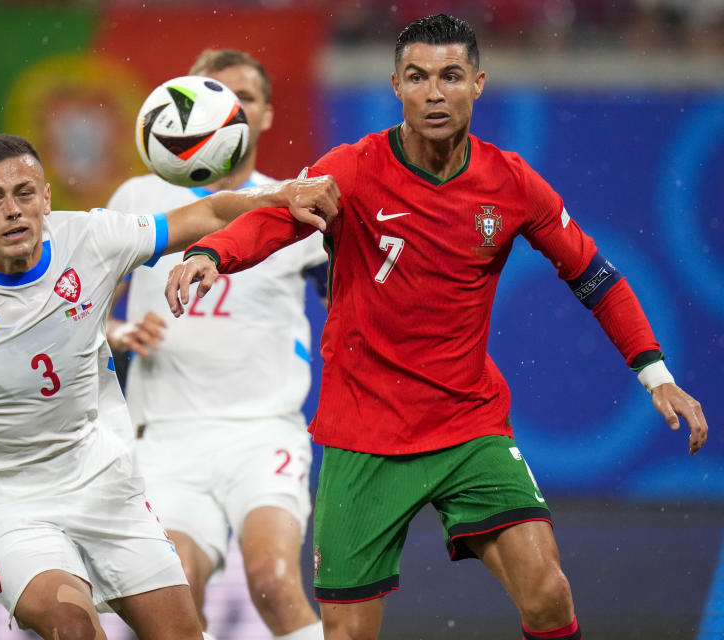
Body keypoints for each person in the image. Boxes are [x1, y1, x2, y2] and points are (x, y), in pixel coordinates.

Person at [165, 15, 709, 640]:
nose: (433, 93)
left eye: (450, 76)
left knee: (549, 595)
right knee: (345, 634)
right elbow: (277, 222)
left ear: (478, 83)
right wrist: (212, 254)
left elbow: (595, 275)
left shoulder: (510, 182)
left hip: (466, 425)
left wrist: (654, 373)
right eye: (417, 77)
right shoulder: (353, 168)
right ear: (396, 84)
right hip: (364, 432)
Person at [0, 133, 339, 640]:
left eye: (23, 193)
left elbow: (209, 210)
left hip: (103, 482)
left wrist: (284, 192)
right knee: (75, 628)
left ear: (46, 197)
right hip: (9, 499)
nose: (12, 210)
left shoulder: (90, 239)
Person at [106, 49, 326, 640]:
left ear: (267, 115)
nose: (225, 113)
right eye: (211, 98)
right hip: (167, 437)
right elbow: (81, 309)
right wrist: (117, 334)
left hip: (262, 430)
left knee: (275, 583)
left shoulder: (293, 207)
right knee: (174, 605)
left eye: (243, 99)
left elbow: (355, 304)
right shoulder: (137, 199)